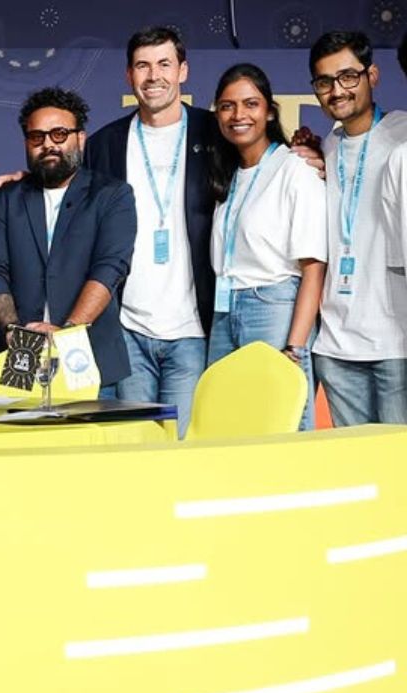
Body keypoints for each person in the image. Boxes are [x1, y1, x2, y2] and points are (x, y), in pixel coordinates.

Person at [83, 27, 217, 436]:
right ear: (129, 75)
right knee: (134, 448)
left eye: (164, 64)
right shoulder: (104, 144)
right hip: (128, 330)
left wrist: (307, 151)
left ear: (183, 71)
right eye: (142, 65)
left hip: (191, 330)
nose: (153, 75)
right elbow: (69, 200)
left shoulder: (215, 133)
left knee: (180, 449)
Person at [0, 87, 137, 392]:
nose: (48, 144)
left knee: (88, 425)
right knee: (20, 424)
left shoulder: (112, 195)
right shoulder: (4, 198)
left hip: (86, 352)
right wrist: (15, 330)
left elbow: (109, 268)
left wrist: (67, 334)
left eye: (59, 134)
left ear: (80, 138)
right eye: (37, 137)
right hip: (18, 349)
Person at [208, 63, 326, 430]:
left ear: (270, 112)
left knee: (280, 426)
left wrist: (295, 346)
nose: (238, 115)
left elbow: (313, 268)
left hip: (273, 307)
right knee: (224, 424)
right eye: (227, 106)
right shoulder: (228, 174)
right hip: (224, 311)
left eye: (251, 104)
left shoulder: (296, 169)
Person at [311, 32, 407, 425]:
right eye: (325, 82)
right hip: (336, 346)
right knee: (354, 460)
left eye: (348, 76)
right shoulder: (328, 146)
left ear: (373, 75)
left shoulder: (402, 135)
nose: (337, 90)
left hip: (395, 343)